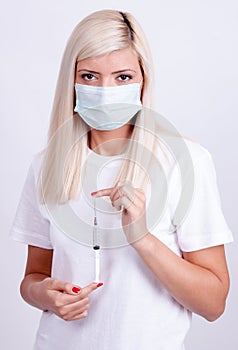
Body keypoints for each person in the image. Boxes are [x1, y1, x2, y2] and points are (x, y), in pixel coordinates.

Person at [10, 9, 233, 350]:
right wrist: (43, 294)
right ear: (71, 80)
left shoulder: (184, 163)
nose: (105, 89)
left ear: (143, 80)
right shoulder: (47, 166)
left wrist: (143, 239)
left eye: (123, 77)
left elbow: (214, 304)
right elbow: (33, 278)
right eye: (89, 76)